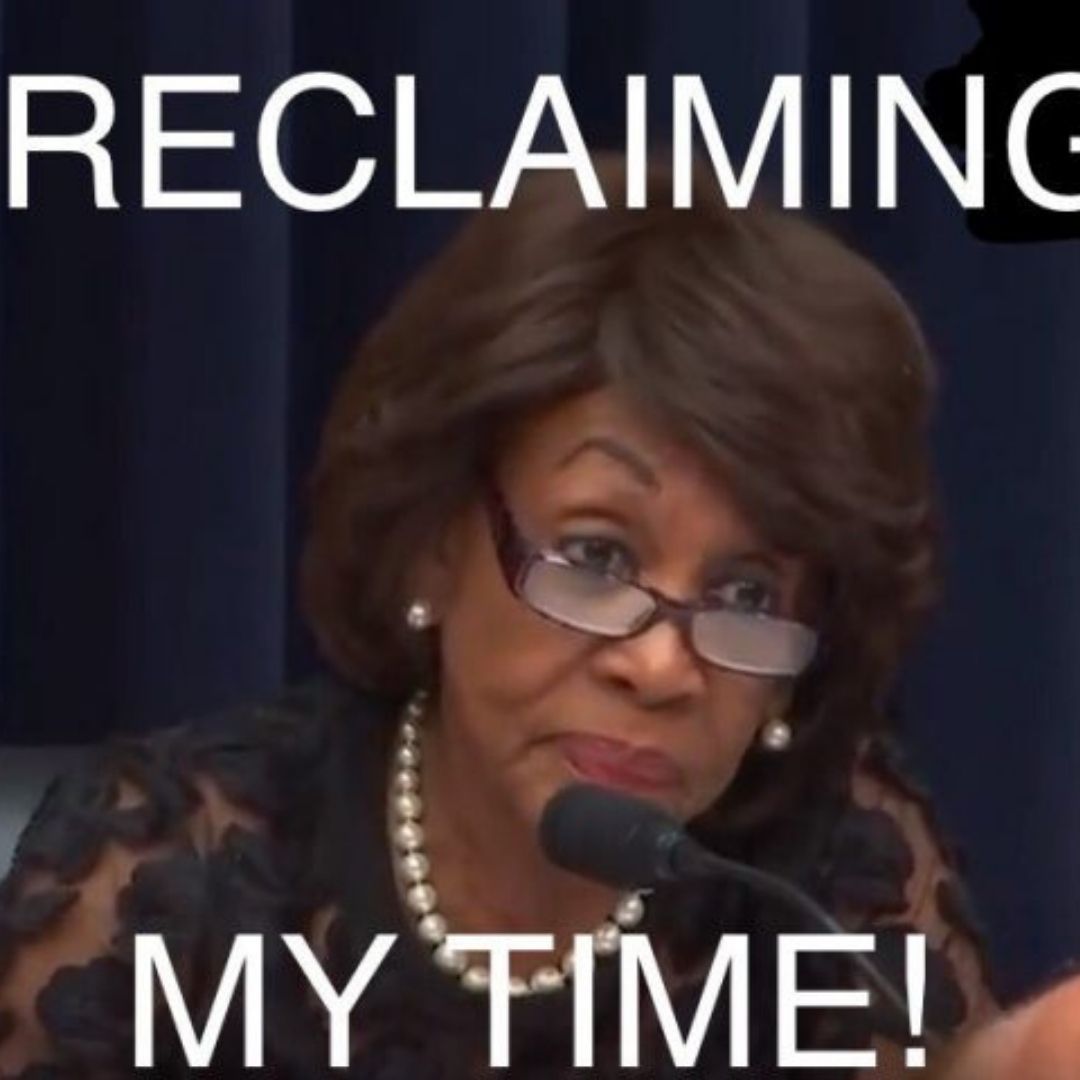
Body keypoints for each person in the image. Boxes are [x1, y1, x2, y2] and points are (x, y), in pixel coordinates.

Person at [0, 155, 1005, 1078]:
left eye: (749, 595)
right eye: (597, 556)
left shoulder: (833, 886)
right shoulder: (172, 890)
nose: (662, 665)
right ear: (436, 541)